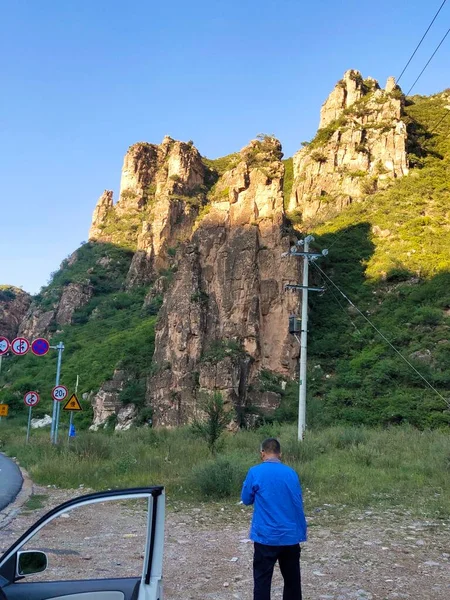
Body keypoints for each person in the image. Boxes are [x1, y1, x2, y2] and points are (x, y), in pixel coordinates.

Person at [241, 438, 307, 600]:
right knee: (292, 582)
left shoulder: (255, 472)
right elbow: (297, 502)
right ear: (280, 454)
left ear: (262, 453)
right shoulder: (291, 473)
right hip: (290, 536)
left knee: (262, 581)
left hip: (266, 536)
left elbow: (247, 499)